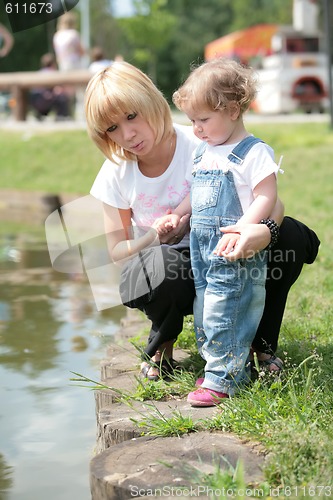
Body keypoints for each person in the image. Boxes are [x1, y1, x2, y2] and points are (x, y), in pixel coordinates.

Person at [84, 61, 320, 388]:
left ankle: (259, 343)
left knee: (291, 235)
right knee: (156, 267)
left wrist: (260, 232)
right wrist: (156, 235)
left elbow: (273, 202)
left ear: (151, 102)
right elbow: (117, 251)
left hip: (226, 253)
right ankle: (163, 340)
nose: (127, 135)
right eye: (112, 128)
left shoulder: (204, 137)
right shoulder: (115, 173)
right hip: (175, 267)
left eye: (131, 116)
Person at [154, 58, 277, 406]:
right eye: (192, 121)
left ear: (234, 109)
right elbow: (195, 194)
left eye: (204, 120)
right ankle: (222, 369)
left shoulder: (253, 152)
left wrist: (245, 226)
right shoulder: (205, 153)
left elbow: (267, 194)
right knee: (206, 308)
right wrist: (177, 216)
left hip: (234, 248)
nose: (196, 129)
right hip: (201, 249)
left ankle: (222, 380)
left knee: (227, 310)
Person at [29, 53, 71, 121]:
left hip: (35, 100)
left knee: (50, 96)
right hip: (45, 100)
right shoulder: (53, 73)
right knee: (61, 96)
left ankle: (39, 115)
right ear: (53, 64)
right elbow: (58, 89)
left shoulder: (39, 73)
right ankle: (61, 116)